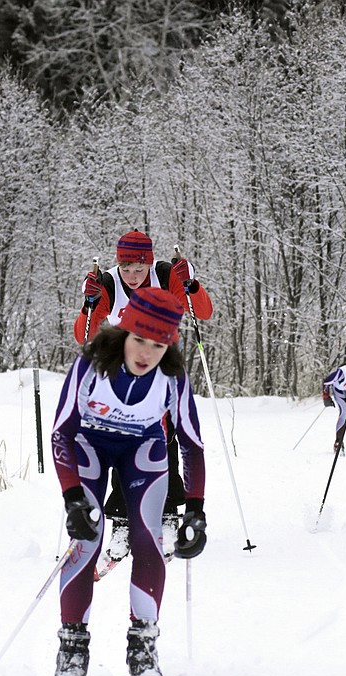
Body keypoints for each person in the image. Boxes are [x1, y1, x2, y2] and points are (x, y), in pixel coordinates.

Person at [50, 287, 209, 676]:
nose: (145, 353)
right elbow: (62, 432)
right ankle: (72, 649)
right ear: (124, 331)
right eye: (139, 339)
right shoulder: (92, 364)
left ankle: (143, 647)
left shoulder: (172, 377)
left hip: (141, 451)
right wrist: (72, 498)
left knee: (147, 541)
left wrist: (195, 508)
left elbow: (191, 443)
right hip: (88, 448)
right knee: (87, 540)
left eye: (158, 344)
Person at [71, 230, 213, 565]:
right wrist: (89, 303)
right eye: (126, 269)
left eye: (139, 269)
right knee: (123, 435)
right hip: (122, 365)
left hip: (162, 362)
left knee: (165, 437)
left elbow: (201, 312)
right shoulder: (109, 283)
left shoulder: (165, 275)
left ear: (149, 263)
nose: (133, 277)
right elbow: (85, 334)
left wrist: (190, 285)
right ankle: (121, 518)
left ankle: (166, 512)